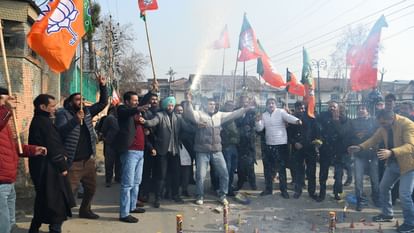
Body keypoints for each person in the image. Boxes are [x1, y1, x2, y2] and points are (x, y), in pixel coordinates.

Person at [348, 110, 414, 233]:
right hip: (393, 163)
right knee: (383, 187)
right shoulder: (384, 126)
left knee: (404, 194)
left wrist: (392, 152)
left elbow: (411, 145)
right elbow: (374, 139)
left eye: (384, 123)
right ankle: (387, 214)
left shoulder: (407, 124)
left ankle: (410, 223)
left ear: (392, 118)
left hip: (409, 164)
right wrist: (360, 147)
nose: (382, 126)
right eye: (380, 124)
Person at [182, 94, 252, 205]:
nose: (212, 106)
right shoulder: (199, 114)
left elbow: (233, 114)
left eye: (214, 104)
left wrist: (245, 109)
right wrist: (188, 102)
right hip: (202, 151)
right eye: (210, 104)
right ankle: (199, 196)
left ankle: (222, 195)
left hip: (216, 150)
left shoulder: (219, 115)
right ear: (206, 105)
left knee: (224, 173)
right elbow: (189, 114)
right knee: (200, 175)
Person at [55, 75, 107, 219]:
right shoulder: (63, 114)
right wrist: (76, 120)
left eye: (82, 99)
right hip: (73, 161)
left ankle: (85, 210)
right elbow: (60, 132)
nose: (81, 102)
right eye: (78, 99)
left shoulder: (88, 112)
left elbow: (103, 103)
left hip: (88, 159)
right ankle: (60, 214)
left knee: (91, 189)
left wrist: (102, 85)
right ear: (70, 102)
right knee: (69, 190)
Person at [0, 87, 46, 233]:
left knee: (10, 222)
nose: (5, 103)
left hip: (9, 179)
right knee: (3, 225)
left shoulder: (5, 122)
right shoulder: (3, 117)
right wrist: (6, 110)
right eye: (2, 99)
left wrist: (32, 150)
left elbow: (12, 146)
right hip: (1, 181)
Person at [28, 94, 76, 233]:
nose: (55, 109)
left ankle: (34, 228)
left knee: (43, 201)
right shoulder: (43, 123)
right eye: (52, 106)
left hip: (44, 167)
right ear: (43, 107)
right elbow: (53, 147)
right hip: (49, 169)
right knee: (56, 203)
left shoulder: (42, 120)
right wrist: (62, 166)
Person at [140, 96, 190, 208]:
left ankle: (175, 195)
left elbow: (187, 128)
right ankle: (157, 198)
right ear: (164, 106)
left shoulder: (178, 118)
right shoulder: (160, 115)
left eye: (172, 105)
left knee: (176, 175)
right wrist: (145, 122)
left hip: (175, 151)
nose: (170, 107)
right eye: (168, 105)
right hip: (162, 151)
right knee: (160, 175)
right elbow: (153, 122)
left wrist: (198, 126)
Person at [255, 98, 301, 198]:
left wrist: (296, 121)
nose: (271, 105)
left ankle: (283, 190)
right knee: (268, 169)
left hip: (281, 145)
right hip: (269, 145)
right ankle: (268, 189)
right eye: (269, 104)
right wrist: (258, 121)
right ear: (266, 106)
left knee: (281, 169)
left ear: (275, 105)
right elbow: (260, 128)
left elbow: (288, 117)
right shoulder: (264, 115)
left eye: (272, 103)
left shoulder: (281, 112)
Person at [116, 91, 148, 223]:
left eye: (137, 100)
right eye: (134, 100)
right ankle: (124, 214)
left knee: (136, 182)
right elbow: (127, 112)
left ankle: (132, 206)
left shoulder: (137, 112)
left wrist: (151, 91)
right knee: (127, 184)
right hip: (130, 151)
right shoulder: (122, 110)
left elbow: (143, 104)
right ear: (127, 101)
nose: (136, 102)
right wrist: (137, 109)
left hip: (140, 151)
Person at [317, 101, 351, 201]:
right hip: (325, 150)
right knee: (323, 174)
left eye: (334, 107)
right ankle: (322, 194)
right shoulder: (323, 116)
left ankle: (337, 192)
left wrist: (336, 120)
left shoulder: (344, 119)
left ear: (338, 109)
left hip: (339, 151)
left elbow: (343, 134)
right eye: (330, 106)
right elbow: (317, 127)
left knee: (339, 174)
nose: (332, 108)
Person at [349, 104, 379, 211]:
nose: (361, 110)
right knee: (358, 180)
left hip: (372, 154)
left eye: (363, 108)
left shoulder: (374, 121)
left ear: (368, 111)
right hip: (359, 155)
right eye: (359, 109)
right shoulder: (353, 122)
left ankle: (376, 198)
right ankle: (360, 201)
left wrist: (365, 135)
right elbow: (350, 136)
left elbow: (378, 135)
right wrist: (352, 145)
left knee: (375, 179)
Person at [288, 101, 319, 200]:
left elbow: (315, 133)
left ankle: (312, 192)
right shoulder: (292, 120)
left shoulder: (311, 119)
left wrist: (315, 142)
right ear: (295, 109)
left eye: (303, 108)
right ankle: (298, 190)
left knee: (311, 171)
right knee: (298, 171)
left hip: (310, 148)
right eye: (299, 109)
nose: (301, 110)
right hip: (297, 149)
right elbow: (288, 135)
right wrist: (294, 142)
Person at [235, 95, 257, 191]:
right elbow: (236, 123)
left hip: (249, 141)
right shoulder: (236, 111)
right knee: (240, 165)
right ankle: (240, 183)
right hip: (239, 140)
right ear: (240, 102)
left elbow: (254, 124)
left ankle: (253, 183)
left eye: (246, 102)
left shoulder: (252, 112)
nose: (244, 103)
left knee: (250, 164)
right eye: (243, 102)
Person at [220, 101, 240, 196]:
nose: (230, 107)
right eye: (229, 105)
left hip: (234, 145)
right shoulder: (223, 115)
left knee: (232, 168)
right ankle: (225, 189)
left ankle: (229, 186)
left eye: (232, 106)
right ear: (225, 106)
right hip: (226, 145)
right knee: (227, 169)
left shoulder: (233, 115)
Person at [101, 105, 121, 187]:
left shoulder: (121, 118)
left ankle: (118, 178)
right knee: (109, 163)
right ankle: (108, 180)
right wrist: (106, 138)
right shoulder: (109, 118)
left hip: (119, 144)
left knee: (118, 163)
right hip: (110, 143)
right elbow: (103, 129)